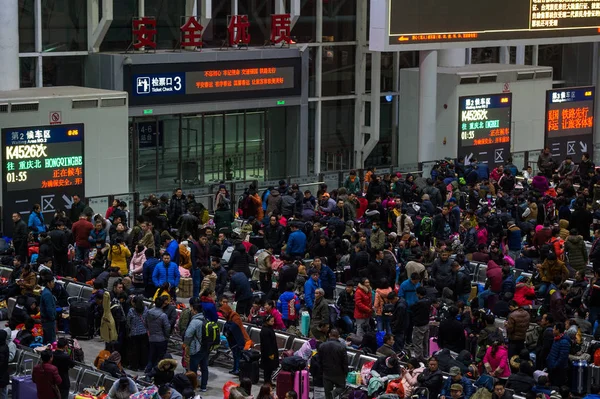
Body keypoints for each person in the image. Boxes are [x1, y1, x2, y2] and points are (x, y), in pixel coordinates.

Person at [184, 303, 209, 392]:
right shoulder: (205, 319)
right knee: (204, 367)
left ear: (195, 310)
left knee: (193, 368)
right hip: (205, 347)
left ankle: (192, 386)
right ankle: (203, 387)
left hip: (196, 348)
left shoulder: (195, 321)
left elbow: (188, 334)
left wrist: (185, 344)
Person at [317, 329, 348, 399]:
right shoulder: (342, 347)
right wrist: (346, 372)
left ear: (329, 335)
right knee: (342, 388)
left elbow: (319, 360)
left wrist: (322, 371)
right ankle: (333, 393)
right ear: (338, 336)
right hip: (339, 373)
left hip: (326, 373)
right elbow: (345, 362)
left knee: (327, 395)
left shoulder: (322, 346)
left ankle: (331, 394)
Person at [144, 296, 171, 376]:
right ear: (163, 305)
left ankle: (147, 371)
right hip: (161, 339)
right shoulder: (163, 316)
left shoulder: (148, 312)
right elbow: (167, 328)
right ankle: (155, 373)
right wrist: (166, 336)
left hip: (151, 338)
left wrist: (149, 330)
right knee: (159, 358)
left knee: (151, 356)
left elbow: (145, 323)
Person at [126, 295, 148, 371]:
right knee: (144, 350)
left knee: (135, 350)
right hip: (144, 332)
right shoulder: (145, 309)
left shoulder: (131, 311)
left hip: (134, 333)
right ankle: (143, 366)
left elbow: (128, 322)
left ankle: (134, 366)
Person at [546, 322, 571, 387]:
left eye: (554, 329)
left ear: (558, 330)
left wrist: (555, 365)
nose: (552, 330)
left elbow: (562, 357)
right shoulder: (556, 339)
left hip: (559, 369)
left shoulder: (564, 342)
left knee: (557, 386)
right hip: (552, 367)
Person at [410, 287, 431, 361]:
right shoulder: (428, 300)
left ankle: (419, 358)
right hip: (426, 324)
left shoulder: (419, 303)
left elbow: (412, 308)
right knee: (425, 342)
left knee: (418, 342)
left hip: (419, 325)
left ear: (418, 294)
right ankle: (425, 356)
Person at [260, 315, 279, 385]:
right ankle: (266, 382)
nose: (273, 323)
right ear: (267, 321)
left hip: (272, 351)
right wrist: (270, 354)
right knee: (267, 369)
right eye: (271, 321)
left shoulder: (269, 328)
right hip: (268, 353)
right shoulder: (265, 331)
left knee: (270, 369)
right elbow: (267, 344)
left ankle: (269, 381)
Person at [40, 274, 57, 344]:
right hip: (48, 321)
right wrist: (53, 317)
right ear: (48, 283)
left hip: (47, 320)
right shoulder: (47, 294)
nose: (54, 283)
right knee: (50, 341)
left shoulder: (46, 291)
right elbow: (49, 309)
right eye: (52, 281)